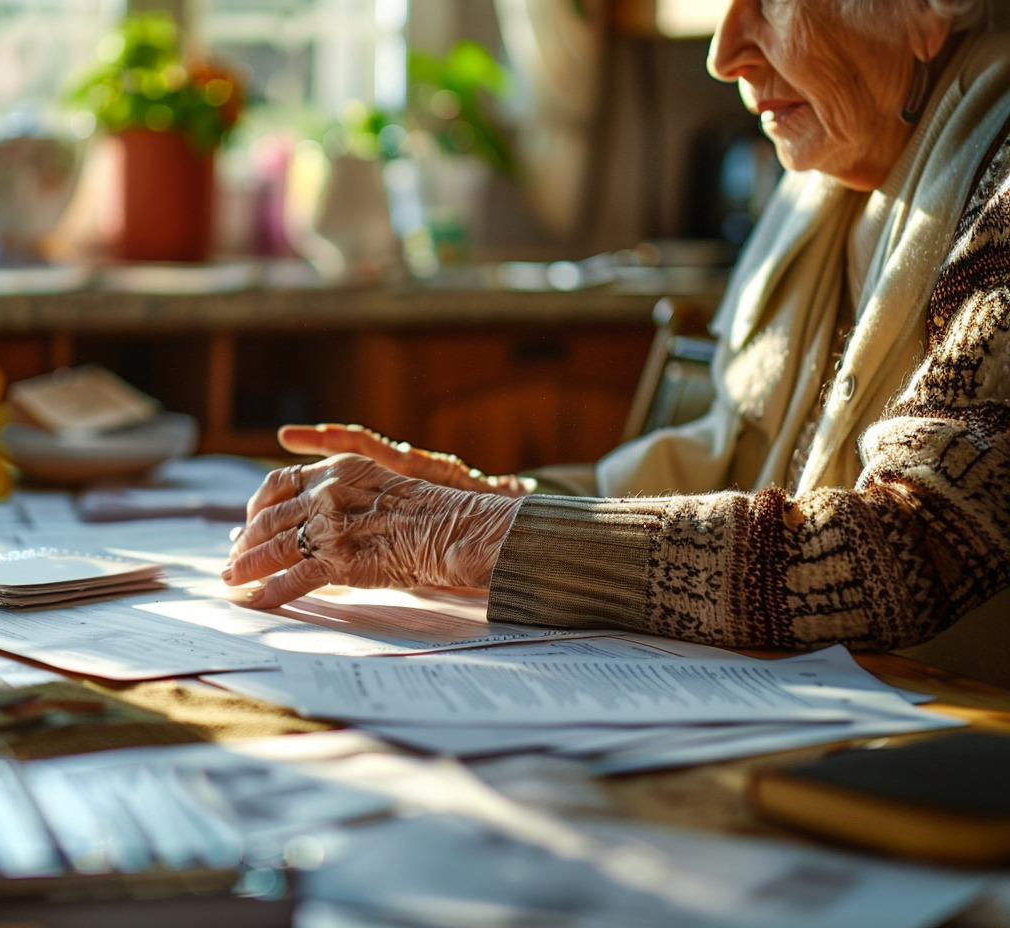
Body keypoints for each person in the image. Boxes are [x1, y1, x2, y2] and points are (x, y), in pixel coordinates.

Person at [224, 0, 1010, 680]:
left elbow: (909, 550)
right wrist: (497, 502)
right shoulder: (839, 193)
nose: (722, 50)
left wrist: (471, 535)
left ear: (924, 9)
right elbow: (735, 465)